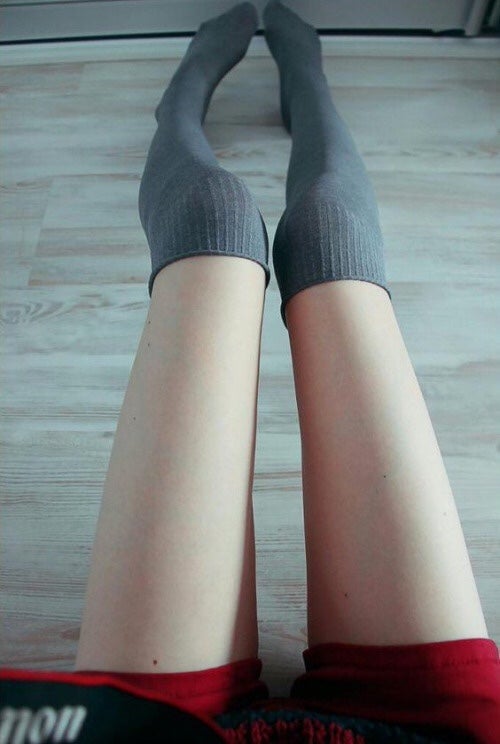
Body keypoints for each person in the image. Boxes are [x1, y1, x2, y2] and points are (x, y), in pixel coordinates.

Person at [1, 2, 499, 742]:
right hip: (439, 730)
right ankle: (288, 84)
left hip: (152, 731)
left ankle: (226, 91)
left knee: (214, 220)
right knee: (326, 230)